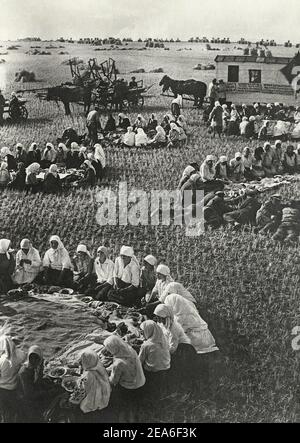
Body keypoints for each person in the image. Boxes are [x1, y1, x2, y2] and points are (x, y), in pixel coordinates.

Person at [103, 336, 145, 422]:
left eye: (108, 348)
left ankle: (127, 418)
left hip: (131, 387)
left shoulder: (118, 363)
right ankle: (137, 414)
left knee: (126, 404)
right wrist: (111, 368)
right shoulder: (130, 350)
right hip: (141, 381)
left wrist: (104, 375)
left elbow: (113, 381)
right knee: (136, 403)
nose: (108, 350)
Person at [153, 304, 197, 388]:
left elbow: (172, 348)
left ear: (166, 317)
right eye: (157, 317)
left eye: (160, 317)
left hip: (184, 349)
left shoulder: (173, 327)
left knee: (176, 369)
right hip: (173, 347)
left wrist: (161, 352)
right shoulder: (163, 324)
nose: (158, 320)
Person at [18, 346, 62, 422]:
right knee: (54, 398)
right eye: (31, 358)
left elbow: (38, 380)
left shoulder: (37, 366)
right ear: (28, 358)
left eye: (37, 358)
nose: (34, 361)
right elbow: (30, 394)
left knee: (55, 387)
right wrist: (48, 392)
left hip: (34, 390)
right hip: (27, 400)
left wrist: (41, 367)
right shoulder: (24, 372)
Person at [139, 320, 170, 398]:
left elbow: (139, 361)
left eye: (143, 331)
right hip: (165, 367)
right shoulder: (164, 339)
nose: (142, 333)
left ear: (148, 331)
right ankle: (162, 392)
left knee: (140, 365)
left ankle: (146, 390)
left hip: (153, 370)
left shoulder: (146, 345)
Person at [76, 351, 111, 415]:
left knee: (83, 405)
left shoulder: (88, 374)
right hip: (104, 389)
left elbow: (85, 388)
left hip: (96, 393)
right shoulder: (99, 366)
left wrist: (79, 382)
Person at [0, 335, 26, 422]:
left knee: (5, 412)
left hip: (2, 390)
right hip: (14, 388)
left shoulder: (2, 360)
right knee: (14, 410)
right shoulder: (21, 355)